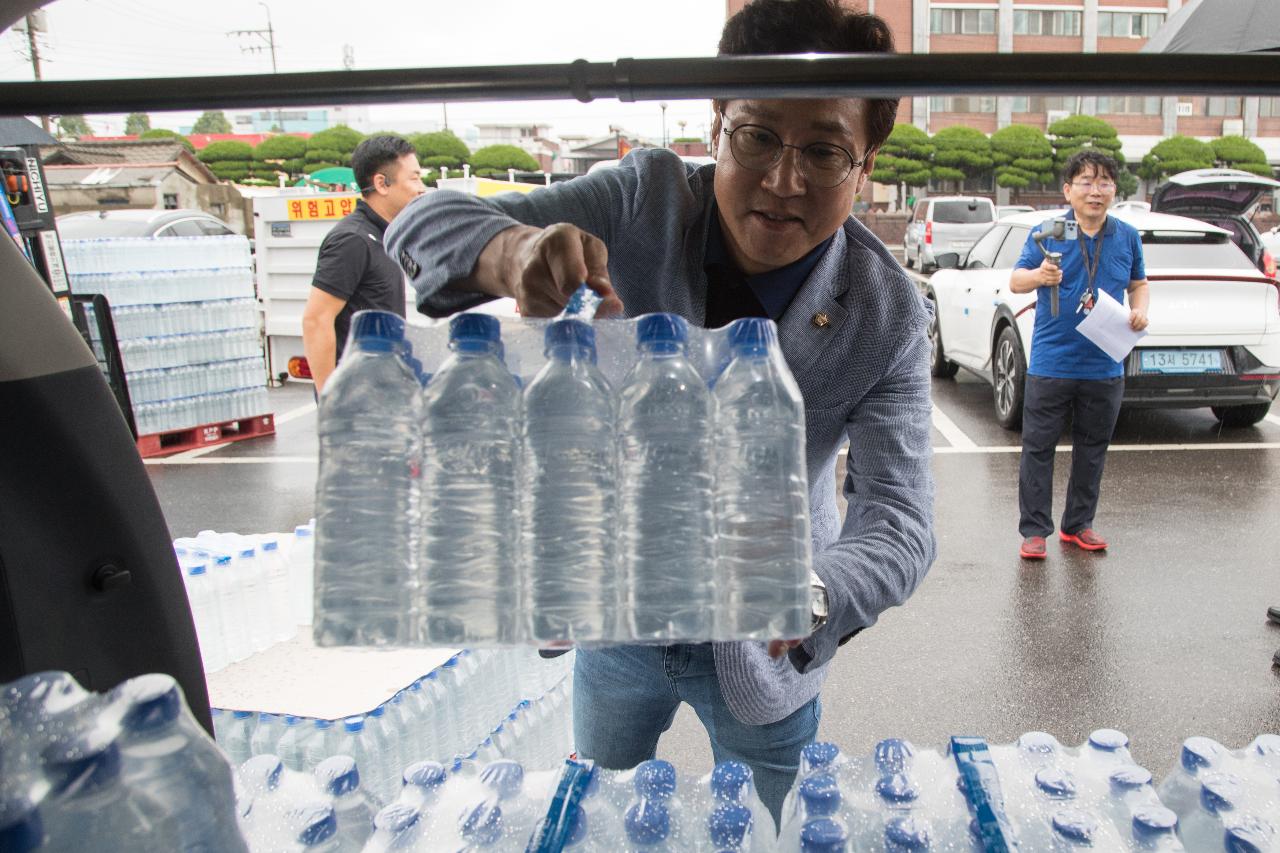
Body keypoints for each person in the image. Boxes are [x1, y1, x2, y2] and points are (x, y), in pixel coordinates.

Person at [386, 0, 936, 822]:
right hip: (619, 623)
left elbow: (899, 518)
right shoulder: (640, 200)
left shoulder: (887, 311)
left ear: (866, 164)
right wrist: (513, 254)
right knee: (601, 819)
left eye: (823, 151)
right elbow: (423, 223)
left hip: (769, 641)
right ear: (717, 121)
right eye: (757, 138)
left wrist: (810, 592)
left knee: (779, 828)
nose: (784, 182)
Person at [1011, 150, 1149, 561]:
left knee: (1093, 448)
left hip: (1105, 363)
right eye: (1086, 182)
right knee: (1038, 448)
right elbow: (1017, 280)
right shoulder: (1049, 231)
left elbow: (1139, 283)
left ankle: (1079, 525)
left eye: (1104, 182)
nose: (1096, 191)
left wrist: (1140, 309)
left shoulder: (1126, 236)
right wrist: (1039, 276)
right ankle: (1035, 531)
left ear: (1114, 191)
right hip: (1052, 363)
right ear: (1068, 190)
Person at [301, 135, 427, 393]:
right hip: (356, 397)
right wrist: (329, 397)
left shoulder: (385, 236)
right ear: (381, 184)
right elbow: (316, 320)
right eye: (414, 178)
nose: (421, 187)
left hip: (384, 387)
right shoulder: (353, 240)